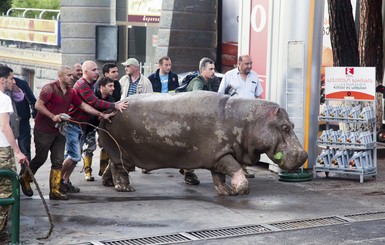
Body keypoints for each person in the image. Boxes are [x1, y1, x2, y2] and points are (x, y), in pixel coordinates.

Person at [18, 66, 116, 200]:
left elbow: (82, 105)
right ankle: (25, 178)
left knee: (58, 161)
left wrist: (100, 114)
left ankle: (55, 190)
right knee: (41, 158)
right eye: (69, 75)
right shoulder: (49, 88)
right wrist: (53, 116)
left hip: (61, 130)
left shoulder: (71, 91)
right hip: (44, 130)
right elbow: (38, 105)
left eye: (72, 75)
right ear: (60, 76)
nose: (72, 77)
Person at [61, 61, 128, 193]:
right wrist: (115, 106)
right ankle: (56, 180)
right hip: (73, 124)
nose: (97, 72)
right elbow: (94, 102)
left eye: (96, 69)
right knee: (74, 156)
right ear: (85, 72)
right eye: (94, 70)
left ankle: (64, 181)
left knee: (75, 157)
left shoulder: (90, 84)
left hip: (81, 125)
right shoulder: (82, 85)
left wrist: (101, 115)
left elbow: (89, 105)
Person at [217, 54, 263, 178]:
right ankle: (232, 169)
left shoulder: (254, 76)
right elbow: (220, 96)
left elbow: (259, 96)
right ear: (239, 64)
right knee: (233, 143)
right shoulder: (229, 76)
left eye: (251, 63)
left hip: (250, 118)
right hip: (233, 117)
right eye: (246, 64)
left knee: (246, 144)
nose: (249, 66)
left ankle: (243, 168)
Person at [0, 65, 28, 244]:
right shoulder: (3, 99)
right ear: (2, 80)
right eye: (11, 78)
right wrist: (17, 151)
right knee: (6, 192)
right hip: (2, 150)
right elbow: (4, 127)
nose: (13, 81)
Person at [82, 63, 121, 181]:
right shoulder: (93, 94)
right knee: (90, 147)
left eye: (113, 86)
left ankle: (103, 170)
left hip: (102, 125)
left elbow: (113, 106)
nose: (113, 89)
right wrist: (100, 116)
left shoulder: (111, 97)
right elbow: (92, 107)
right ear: (102, 87)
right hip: (89, 124)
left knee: (105, 145)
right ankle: (87, 172)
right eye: (110, 86)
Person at [181, 57, 217, 186]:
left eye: (214, 68)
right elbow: (198, 100)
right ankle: (188, 172)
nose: (213, 71)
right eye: (210, 69)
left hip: (197, 122)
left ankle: (185, 168)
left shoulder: (208, 82)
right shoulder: (198, 82)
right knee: (191, 148)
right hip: (191, 122)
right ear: (202, 70)